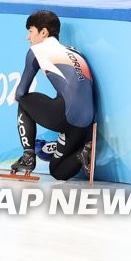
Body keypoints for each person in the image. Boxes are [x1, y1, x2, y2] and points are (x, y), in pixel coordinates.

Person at [8, 10, 94, 180]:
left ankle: (28, 156)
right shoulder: (75, 52)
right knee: (58, 172)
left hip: (66, 115)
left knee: (24, 101)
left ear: (44, 32)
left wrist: (16, 97)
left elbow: (20, 92)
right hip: (85, 123)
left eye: (31, 31)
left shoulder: (37, 50)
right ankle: (83, 153)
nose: (28, 37)